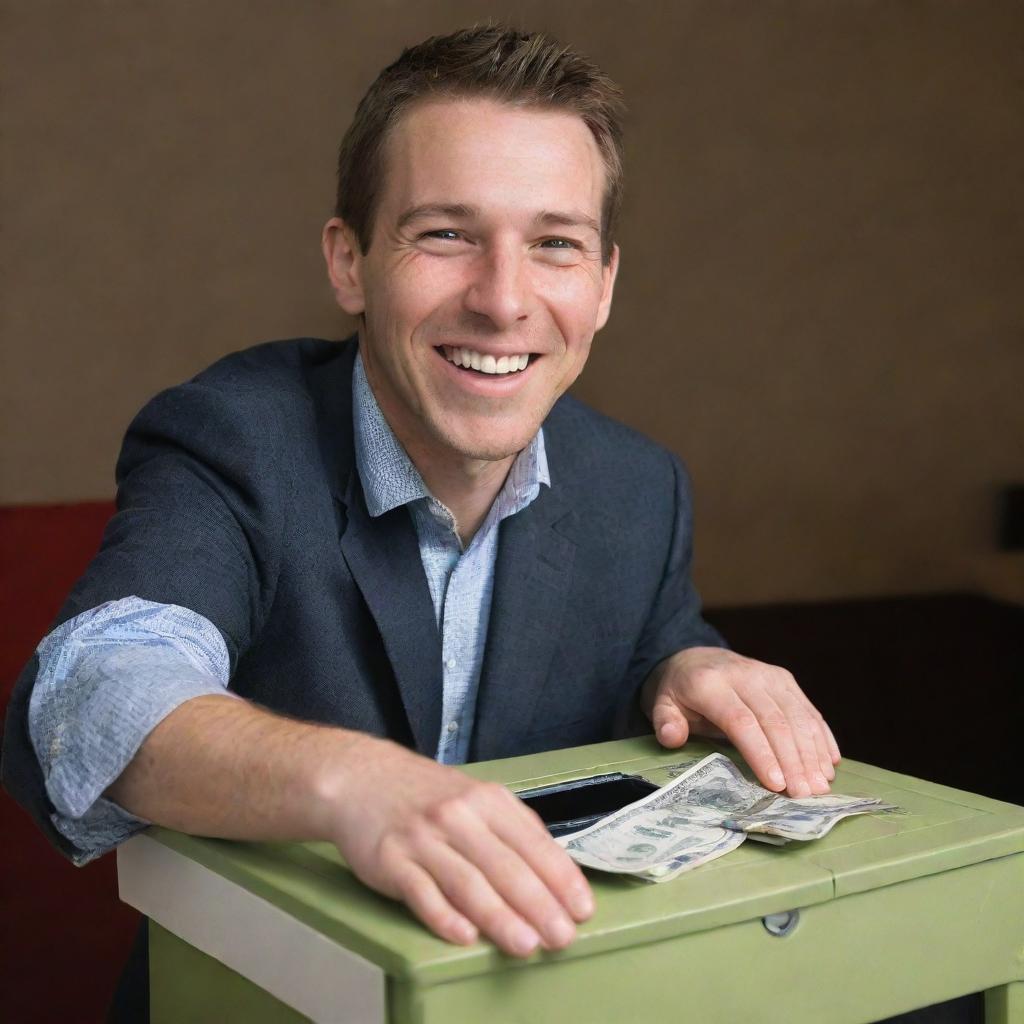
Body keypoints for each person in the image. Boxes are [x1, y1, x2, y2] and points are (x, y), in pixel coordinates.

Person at [1, 22, 839, 1008]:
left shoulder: (639, 488)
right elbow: (93, 686)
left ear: (603, 287)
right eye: (445, 234)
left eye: (555, 244)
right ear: (349, 262)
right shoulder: (234, 437)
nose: (501, 300)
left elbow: (651, 643)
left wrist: (685, 665)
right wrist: (349, 783)